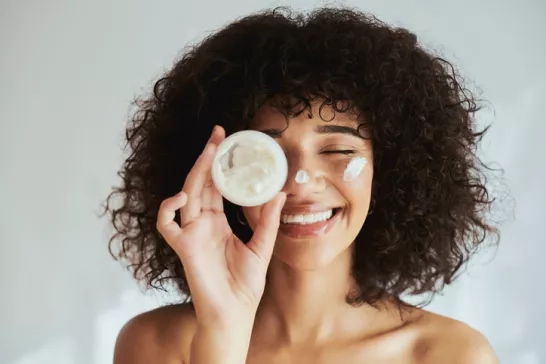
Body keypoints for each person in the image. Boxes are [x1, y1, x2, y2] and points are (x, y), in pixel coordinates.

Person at [104, 6, 501, 363]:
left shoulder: (450, 355)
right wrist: (222, 332)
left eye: (339, 150)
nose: (299, 181)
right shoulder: (155, 344)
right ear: (219, 175)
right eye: (266, 153)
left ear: (392, 172)